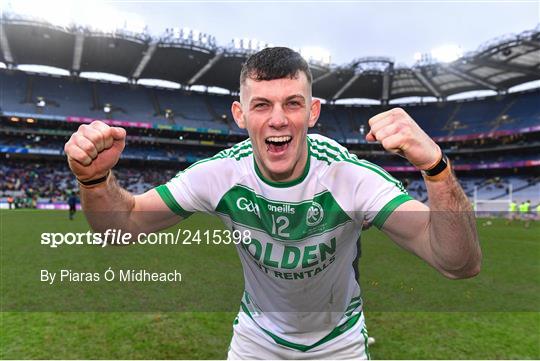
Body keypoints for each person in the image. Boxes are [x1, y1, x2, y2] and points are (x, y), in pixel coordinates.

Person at [64, 47, 481, 359]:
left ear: (313, 112)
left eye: (292, 103)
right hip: (256, 340)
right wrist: (94, 178)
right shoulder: (221, 174)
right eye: (261, 105)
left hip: (339, 343)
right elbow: (123, 227)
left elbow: (458, 263)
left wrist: (437, 167)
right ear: (240, 114)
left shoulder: (348, 178)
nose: (278, 119)